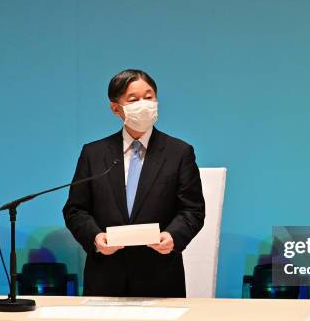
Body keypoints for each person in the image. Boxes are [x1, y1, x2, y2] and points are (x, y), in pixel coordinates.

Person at [63, 69, 205, 297]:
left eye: (149, 97)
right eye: (133, 99)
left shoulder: (179, 152)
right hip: (105, 277)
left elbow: (193, 210)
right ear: (115, 108)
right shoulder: (94, 154)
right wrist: (96, 238)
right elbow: (75, 209)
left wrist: (173, 236)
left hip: (160, 275)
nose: (144, 104)